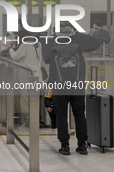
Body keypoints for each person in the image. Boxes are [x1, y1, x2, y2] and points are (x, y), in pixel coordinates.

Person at [45, 23, 97, 155]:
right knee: (79, 115)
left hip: (59, 87)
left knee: (61, 116)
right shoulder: (79, 49)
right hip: (77, 87)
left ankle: (65, 146)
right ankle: (82, 145)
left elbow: (50, 71)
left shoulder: (54, 49)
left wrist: (48, 92)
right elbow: (95, 43)